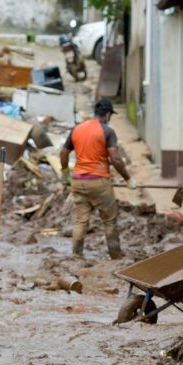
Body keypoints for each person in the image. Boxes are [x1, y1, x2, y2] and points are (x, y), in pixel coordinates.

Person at [59, 98, 138, 259]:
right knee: (109, 220)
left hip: (78, 181)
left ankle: (76, 255)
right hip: (99, 182)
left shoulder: (77, 129)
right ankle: (115, 255)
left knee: (81, 221)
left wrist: (66, 174)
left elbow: (63, 152)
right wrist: (128, 179)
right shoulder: (107, 132)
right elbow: (116, 159)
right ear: (108, 114)